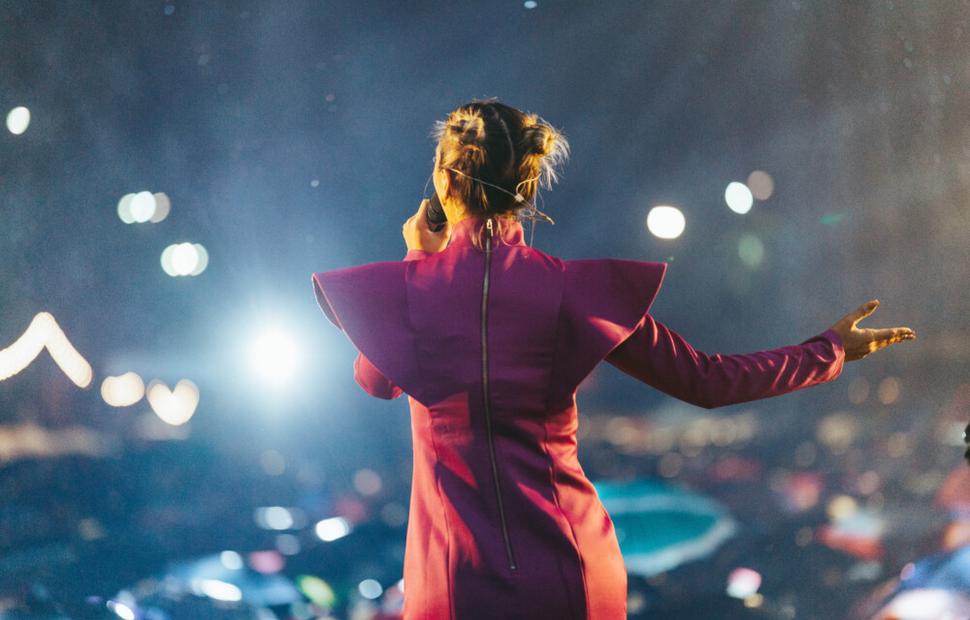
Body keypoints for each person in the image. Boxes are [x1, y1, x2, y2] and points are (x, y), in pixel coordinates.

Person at [311, 98, 916, 620]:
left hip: (455, 579)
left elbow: (376, 381)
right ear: (527, 188)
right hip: (571, 568)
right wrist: (828, 350)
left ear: (444, 181)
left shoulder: (412, 292)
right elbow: (707, 381)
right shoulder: (570, 290)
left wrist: (418, 261)